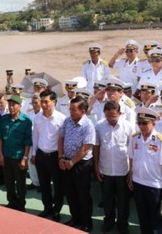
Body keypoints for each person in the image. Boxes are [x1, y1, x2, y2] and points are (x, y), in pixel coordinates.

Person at [94, 101, 133, 234]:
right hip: (105, 170)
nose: (111, 119)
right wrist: (96, 167)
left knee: (123, 201)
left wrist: (131, 172)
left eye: (114, 117)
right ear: (104, 113)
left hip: (123, 170)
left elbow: (132, 151)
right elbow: (97, 147)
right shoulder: (99, 125)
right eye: (108, 116)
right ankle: (109, 221)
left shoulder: (128, 127)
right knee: (107, 199)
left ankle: (122, 224)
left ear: (120, 114)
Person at [58, 96, 96, 232]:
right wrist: (60, 158)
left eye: (74, 110)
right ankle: (75, 218)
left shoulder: (88, 125)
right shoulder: (67, 121)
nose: (71, 112)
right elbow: (61, 138)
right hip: (67, 161)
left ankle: (86, 222)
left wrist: (72, 162)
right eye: (70, 109)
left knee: (83, 193)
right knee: (70, 192)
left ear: (83, 111)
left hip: (81, 165)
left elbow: (85, 148)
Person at [128, 107, 162, 234]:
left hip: (154, 185)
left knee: (157, 219)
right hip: (138, 182)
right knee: (142, 217)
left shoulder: (160, 141)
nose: (142, 126)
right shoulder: (134, 138)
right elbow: (131, 158)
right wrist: (130, 177)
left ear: (153, 123)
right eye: (139, 123)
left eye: (145, 123)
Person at [31, 90, 65, 221]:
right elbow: (35, 137)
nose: (43, 104)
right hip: (41, 156)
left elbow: (63, 140)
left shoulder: (61, 119)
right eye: (42, 101)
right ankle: (47, 208)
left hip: (55, 156)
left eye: (46, 102)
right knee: (44, 185)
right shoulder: (37, 118)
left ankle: (56, 210)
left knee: (58, 185)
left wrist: (61, 157)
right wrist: (34, 154)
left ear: (54, 102)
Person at [0, 94, 32, 212]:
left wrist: (25, 158)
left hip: (19, 157)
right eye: (10, 104)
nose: (11, 107)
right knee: (8, 181)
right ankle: (11, 202)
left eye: (14, 105)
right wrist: (0, 154)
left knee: (21, 183)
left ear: (20, 106)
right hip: (6, 156)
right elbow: (0, 137)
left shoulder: (26, 121)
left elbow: (28, 141)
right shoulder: (4, 119)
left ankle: (21, 204)